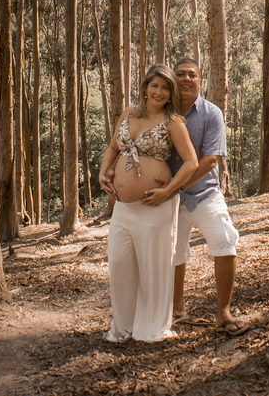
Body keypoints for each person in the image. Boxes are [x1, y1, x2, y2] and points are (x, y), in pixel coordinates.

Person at [97, 64, 198, 342]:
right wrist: (102, 173)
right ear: (145, 88)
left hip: (155, 207)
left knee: (154, 268)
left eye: (165, 88)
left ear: (171, 93)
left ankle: (151, 329)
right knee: (119, 265)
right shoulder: (129, 112)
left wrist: (169, 192)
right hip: (123, 208)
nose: (159, 92)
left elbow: (191, 163)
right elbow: (113, 147)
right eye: (155, 86)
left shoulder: (173, 122)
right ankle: (122, 327)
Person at [168, 57, 246, 336]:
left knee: (225, 239)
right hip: (169, 199)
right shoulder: (162, 111)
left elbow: (211, 159)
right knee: (173, 251)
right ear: (173, 79)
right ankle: (176, 309)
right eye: (180, 74)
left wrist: (176, 186)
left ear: (200, 81)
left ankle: (223, 312)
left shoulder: (212, 113)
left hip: (204, 193)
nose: (186, 79)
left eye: (192, 74)